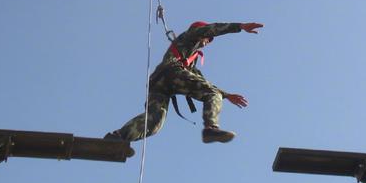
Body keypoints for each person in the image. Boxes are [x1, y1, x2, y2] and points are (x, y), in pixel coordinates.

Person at [105, 21, 263, 148]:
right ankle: (211, 129)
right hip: (172, 72)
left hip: (160, 83)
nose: (208, 42)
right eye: (208, 38)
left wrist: (227, 95)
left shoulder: (190, 59)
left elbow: (199, 80)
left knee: (154, 123)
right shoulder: (191, 35)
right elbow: (213, 29)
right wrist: (240, 27)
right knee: (213, 95)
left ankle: (117, 138)